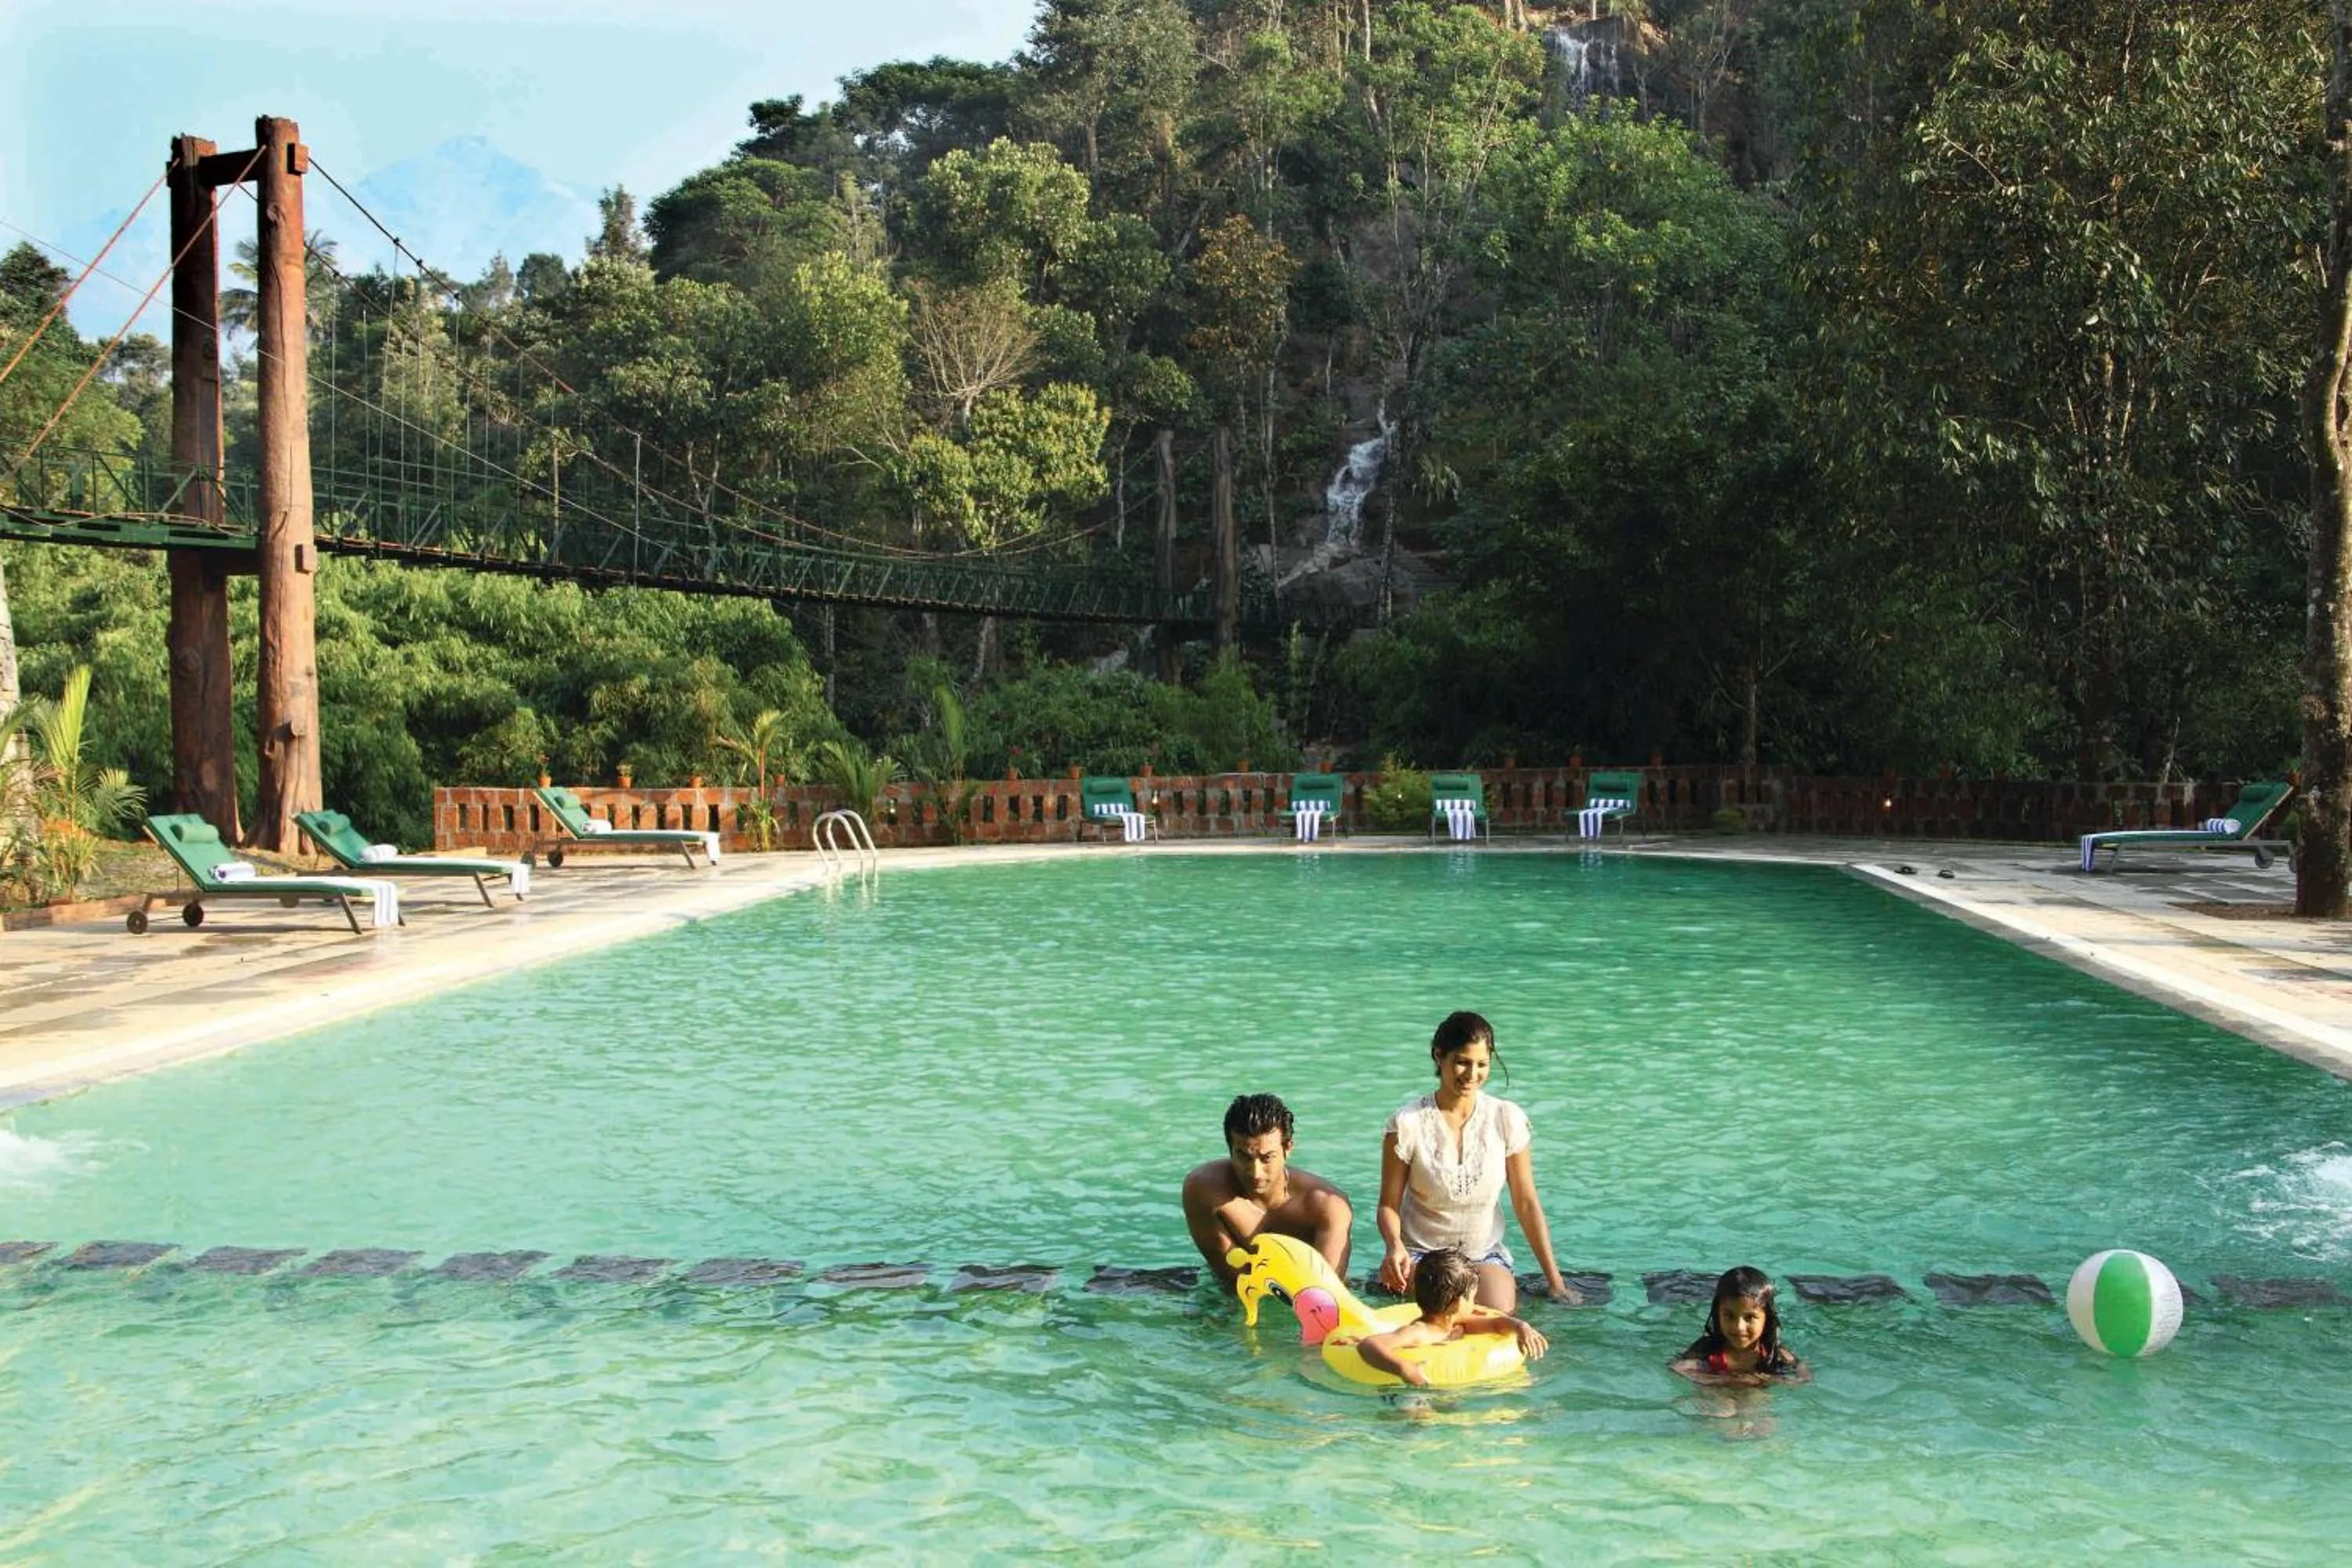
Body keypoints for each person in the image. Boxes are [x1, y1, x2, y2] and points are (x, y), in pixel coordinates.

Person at [1376, 1010, 1577, 1312]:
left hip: (1483, 1254)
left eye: (1482, 1064)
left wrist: (1555, 1280)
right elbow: (1388, 1205)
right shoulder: (1407, 1123)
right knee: (1444, 1309)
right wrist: (1395, 1247)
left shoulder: (1506, 1118)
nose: (1472, 1075)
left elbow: (1526, 1203)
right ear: (1438, 1056)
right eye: (1462, 1062)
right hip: (1421, 1255)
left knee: (1499, 1311)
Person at [1182, 1093, 1353, 1290]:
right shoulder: (1205, 1189)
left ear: (1287, 1148)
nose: (1255, 1173)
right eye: (1244, 1157)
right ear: (1230, 1150)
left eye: (1267, 1158)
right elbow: (1233, 1278)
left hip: (1310, 1294)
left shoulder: (1328, 1205)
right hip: (1232, 1289)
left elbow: (1328, 1291)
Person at [1352, 1246, 1549, 1388]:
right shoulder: (1421, 1332)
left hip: (1442, 1385)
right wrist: (1406, 1369)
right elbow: (1369, 1345)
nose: (1475, 1303)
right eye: (1472, 1297)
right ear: (1457, 1303)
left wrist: (1520, 1326)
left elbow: (1495, 1324)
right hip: (1406, 1393)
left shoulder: (1453, 1323)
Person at [1669, 1266, 1809, 1385]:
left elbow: (1803, 1377)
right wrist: (1724, 1380)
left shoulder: (1774, 1354)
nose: (1739, 1327)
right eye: (1729, 1316)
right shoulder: (1707, 1350)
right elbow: (1676, 1369)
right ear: (1718, 1314)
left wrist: (1773, 1379)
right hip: (1716, 1396)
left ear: (1767, 1318)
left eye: (1750, 1318)